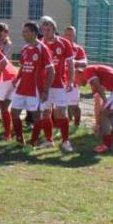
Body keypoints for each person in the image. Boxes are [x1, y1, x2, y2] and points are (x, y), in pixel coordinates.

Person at [10, 21, 55, 152]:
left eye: (26, 31)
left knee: (37, 116)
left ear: (34, 33)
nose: (23, 34)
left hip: (35, 90)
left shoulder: (42, 48)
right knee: (14, 113)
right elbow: (23, 67)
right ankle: (20, 139)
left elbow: (51, 71)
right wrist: (17, 78)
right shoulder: (24, 49)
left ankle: (33, 142)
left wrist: (45, 91)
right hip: (21, 88)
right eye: (23, 31)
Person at [38, 16, 76, 152]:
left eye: (48, 29)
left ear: (54, 29)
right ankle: (49, 140)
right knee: (45, 113)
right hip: (44, 86)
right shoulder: (39, 45)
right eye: (44, 30)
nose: (46, 32)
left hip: (59, 85)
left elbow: (71, 64)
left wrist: (71, 81)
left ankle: (66, 141)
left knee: (61, 112)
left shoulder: (64, 43)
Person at [0, 23, 17, 141]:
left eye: (7, 32)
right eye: (4, 31)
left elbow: (3, 60)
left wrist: (1, 44)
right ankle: (6, 135)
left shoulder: (7, 44)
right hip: (1, 77)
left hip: (4, 78)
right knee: (3, 108)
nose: (6, 34)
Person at [62, 25, 88, 131]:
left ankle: (76, 125)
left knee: (74, 106)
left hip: (73, 81)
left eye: (71, 35)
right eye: (67, 35)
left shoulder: (78, 49)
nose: (68, 37)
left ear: (74, 36)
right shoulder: (59, 47)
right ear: (64, 35)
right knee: (61, 106)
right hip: (59, 80)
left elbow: (85, 63)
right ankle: (63, 126)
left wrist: (74, 62)